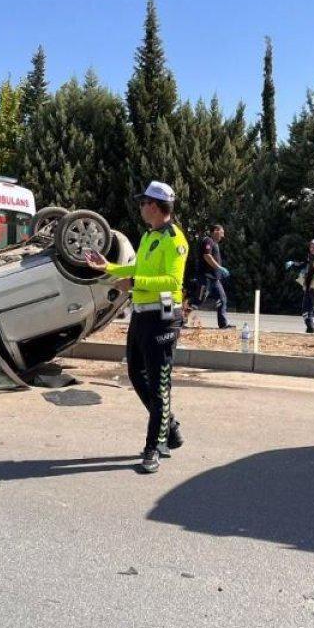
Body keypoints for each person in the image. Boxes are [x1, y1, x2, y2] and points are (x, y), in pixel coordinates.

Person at [85, 181, 189, 475]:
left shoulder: (174, 240)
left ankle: (154, 448)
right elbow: (139, 270)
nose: (140, 208)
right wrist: (108, 267)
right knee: (135, 373)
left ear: (154, 206)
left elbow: (172, 282)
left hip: (163, 318)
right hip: (142, 315)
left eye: (143, 203)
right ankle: (169, 427)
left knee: (159, 386)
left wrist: (134, 283)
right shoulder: (149, 236)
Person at [194, 223, 233, 329]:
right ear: (215, 230)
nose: (223, 236)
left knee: (222, 298)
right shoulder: (208, 241)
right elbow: (207, 256)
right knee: (199, 300)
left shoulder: (214, 243)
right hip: (206, 278)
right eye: (222, 232)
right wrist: (219, 268)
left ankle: (223, 324)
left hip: (215, 280)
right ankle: (180, 319)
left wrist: (219, 273)